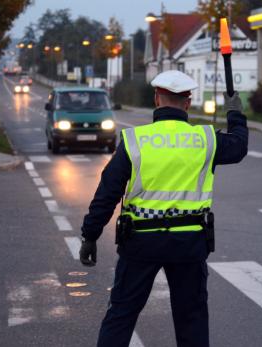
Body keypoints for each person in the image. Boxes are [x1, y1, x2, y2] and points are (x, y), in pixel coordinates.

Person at [79, 70, 248, 347]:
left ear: (157, 99)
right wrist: (235, 112)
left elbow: (107, 193)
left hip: (141, 244)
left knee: (121, 315)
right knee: (191, 319)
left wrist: (90, 235)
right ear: (188, 102)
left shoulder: (136, 141)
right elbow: (239, 146)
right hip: (189, 243)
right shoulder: (205, 139)